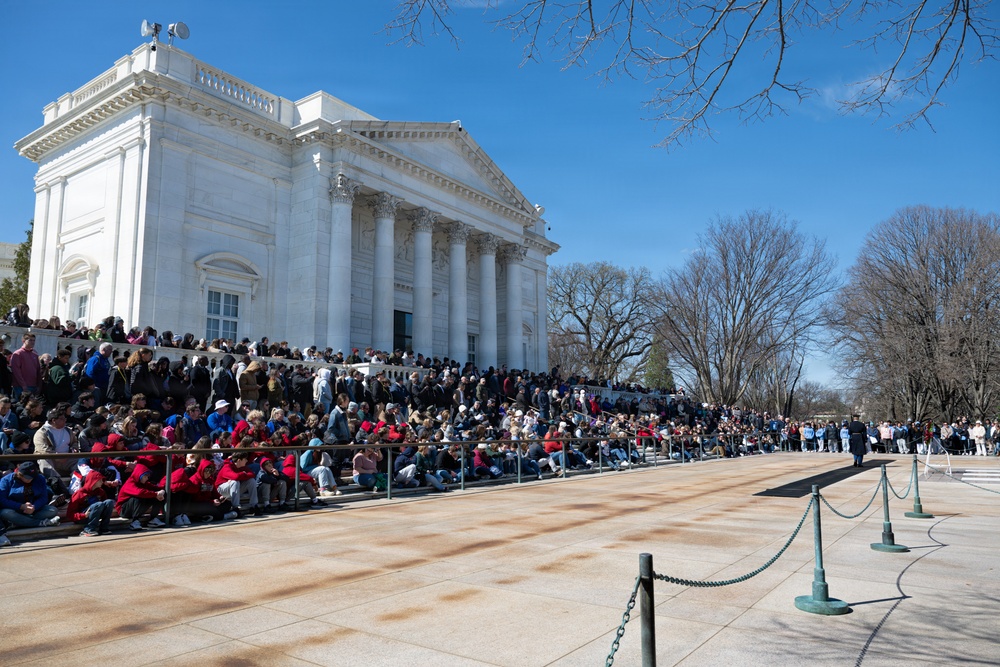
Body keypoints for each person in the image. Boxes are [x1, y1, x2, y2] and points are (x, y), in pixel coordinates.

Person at [0, 462, 61, 546]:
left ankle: (19, 522)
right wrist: (21, 506)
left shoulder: (40, 478)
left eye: (32, 477)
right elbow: (2, 500)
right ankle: (41, 523)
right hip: (15, 510)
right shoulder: (7, 480)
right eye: (26, 477)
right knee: (5, 513)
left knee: (52, 510)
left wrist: (34, 507)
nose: (29, 479)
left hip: (32, 509)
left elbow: (44, 497)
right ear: (20, 474)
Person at [65, 470, 115, 536]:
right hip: (82, 518)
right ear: (93, 481)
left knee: (109, 502)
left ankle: (104, 528)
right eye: (99, 480)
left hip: (95, 515)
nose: (102, 482)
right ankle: (88, 529)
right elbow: (70, 514)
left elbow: (105, 505)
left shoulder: (101, 492)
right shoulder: (79, 493)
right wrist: (84, 515)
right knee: (98, 504)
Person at [10, 332, 42, 399]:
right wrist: (23, 385)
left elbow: (38, 370)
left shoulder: (35, 354)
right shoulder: (17, 354)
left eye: (34, 340)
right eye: (30, 340)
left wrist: (39, 385)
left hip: (34, 386)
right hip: (20, 387)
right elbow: (16, 371)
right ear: (23, 341)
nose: (32, 342)